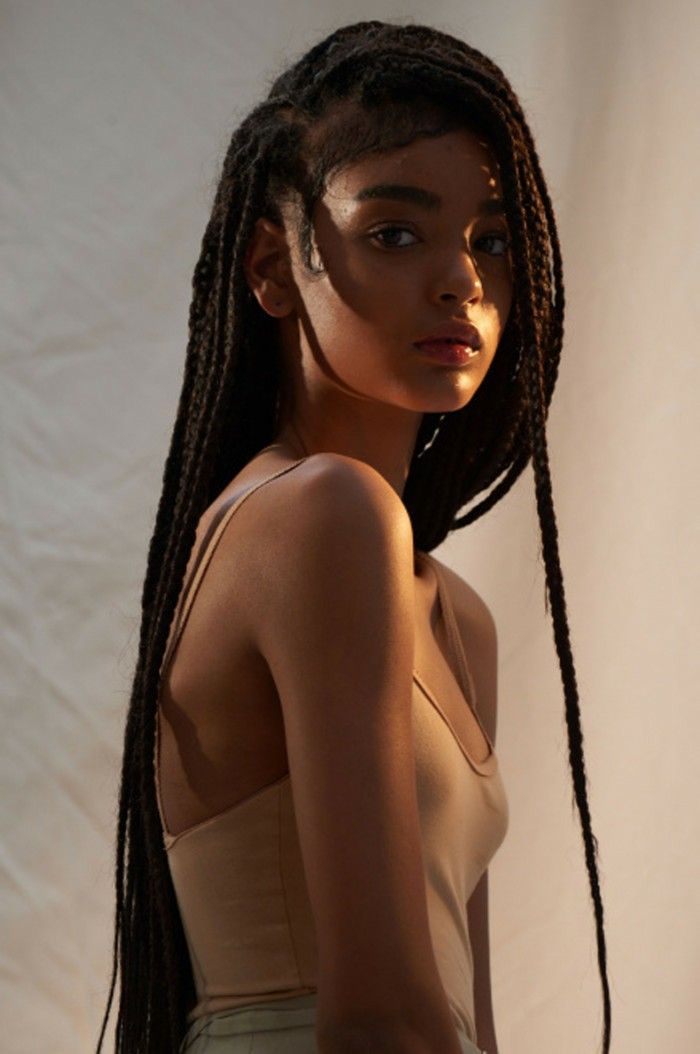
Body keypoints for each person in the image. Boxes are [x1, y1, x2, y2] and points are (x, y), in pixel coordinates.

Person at [96, 19, 612, 1054]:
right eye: (393, 232)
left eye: (492, 239)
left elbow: (459, 1016)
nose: (460, 278)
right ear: (272, 269)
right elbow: (378, 1014)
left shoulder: (453, 613)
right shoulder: (322, 515)